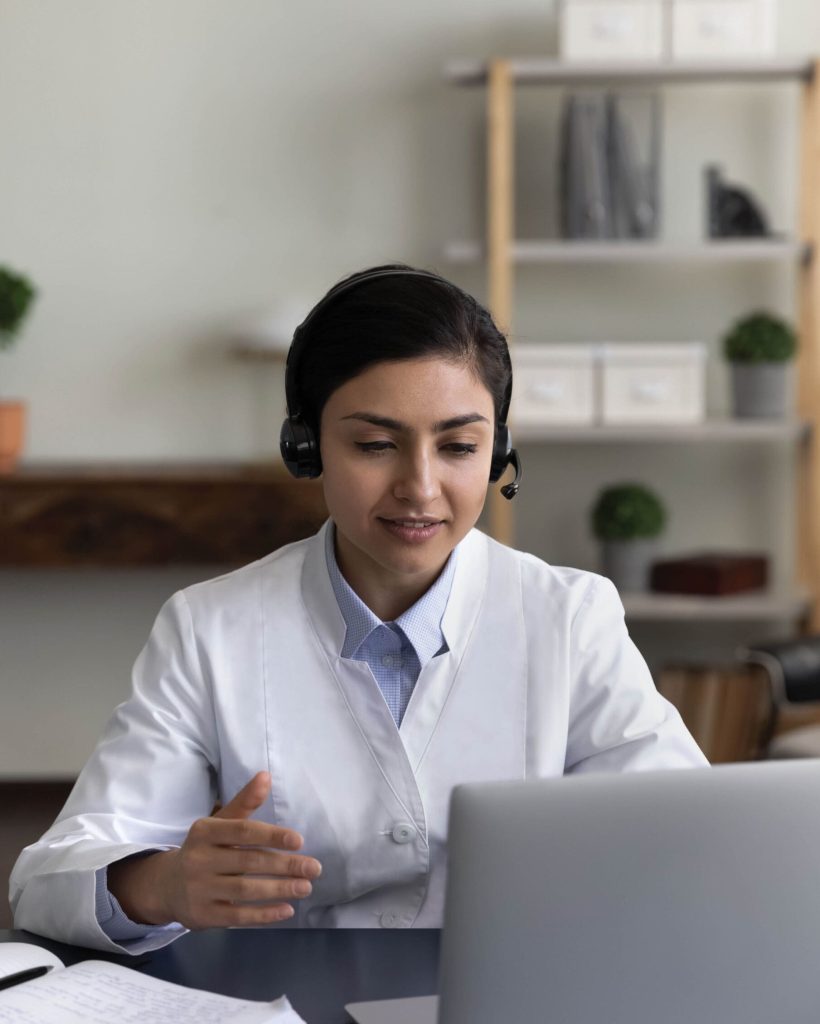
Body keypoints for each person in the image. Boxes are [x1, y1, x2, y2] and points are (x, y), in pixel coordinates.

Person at [10, 264, 707, 954]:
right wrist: (163, 884)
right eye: (376, 445)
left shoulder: (569, 618)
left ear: (500, 453)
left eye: (461, 446)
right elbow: (46, 881)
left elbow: (692, 838)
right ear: (307, 446)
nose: (421, 488)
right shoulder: (209, 628)